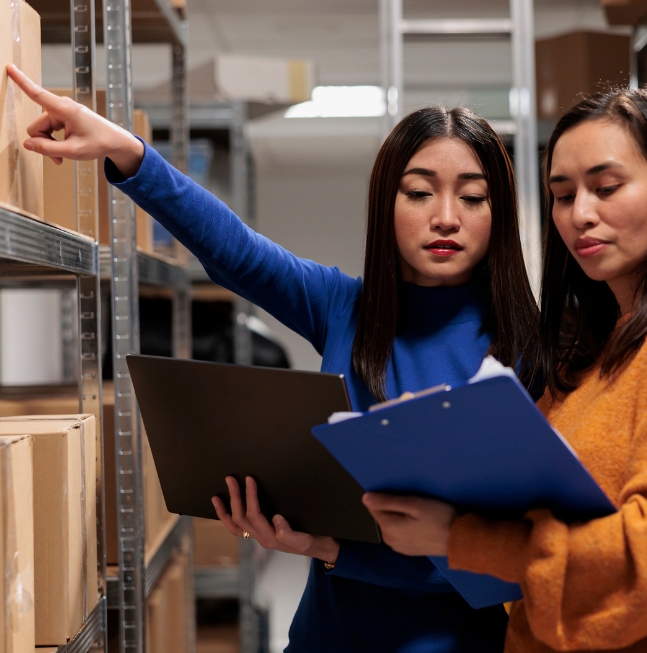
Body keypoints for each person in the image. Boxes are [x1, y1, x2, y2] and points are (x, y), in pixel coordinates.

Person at [6, 64, 540, 652]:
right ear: (386, 204)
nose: (446, 216)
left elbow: (512, 563)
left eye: (472, 197)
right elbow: (237, 251)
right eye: (419, 192)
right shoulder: (345, 306)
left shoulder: (529, 349)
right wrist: (128, 152)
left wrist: (330, 548)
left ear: (500, 215)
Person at [363, 87, 647, 653]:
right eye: (562, 194)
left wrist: (462, 537)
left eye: (606, 188)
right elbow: (531, 531)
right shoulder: (592, 353)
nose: (580, 214)